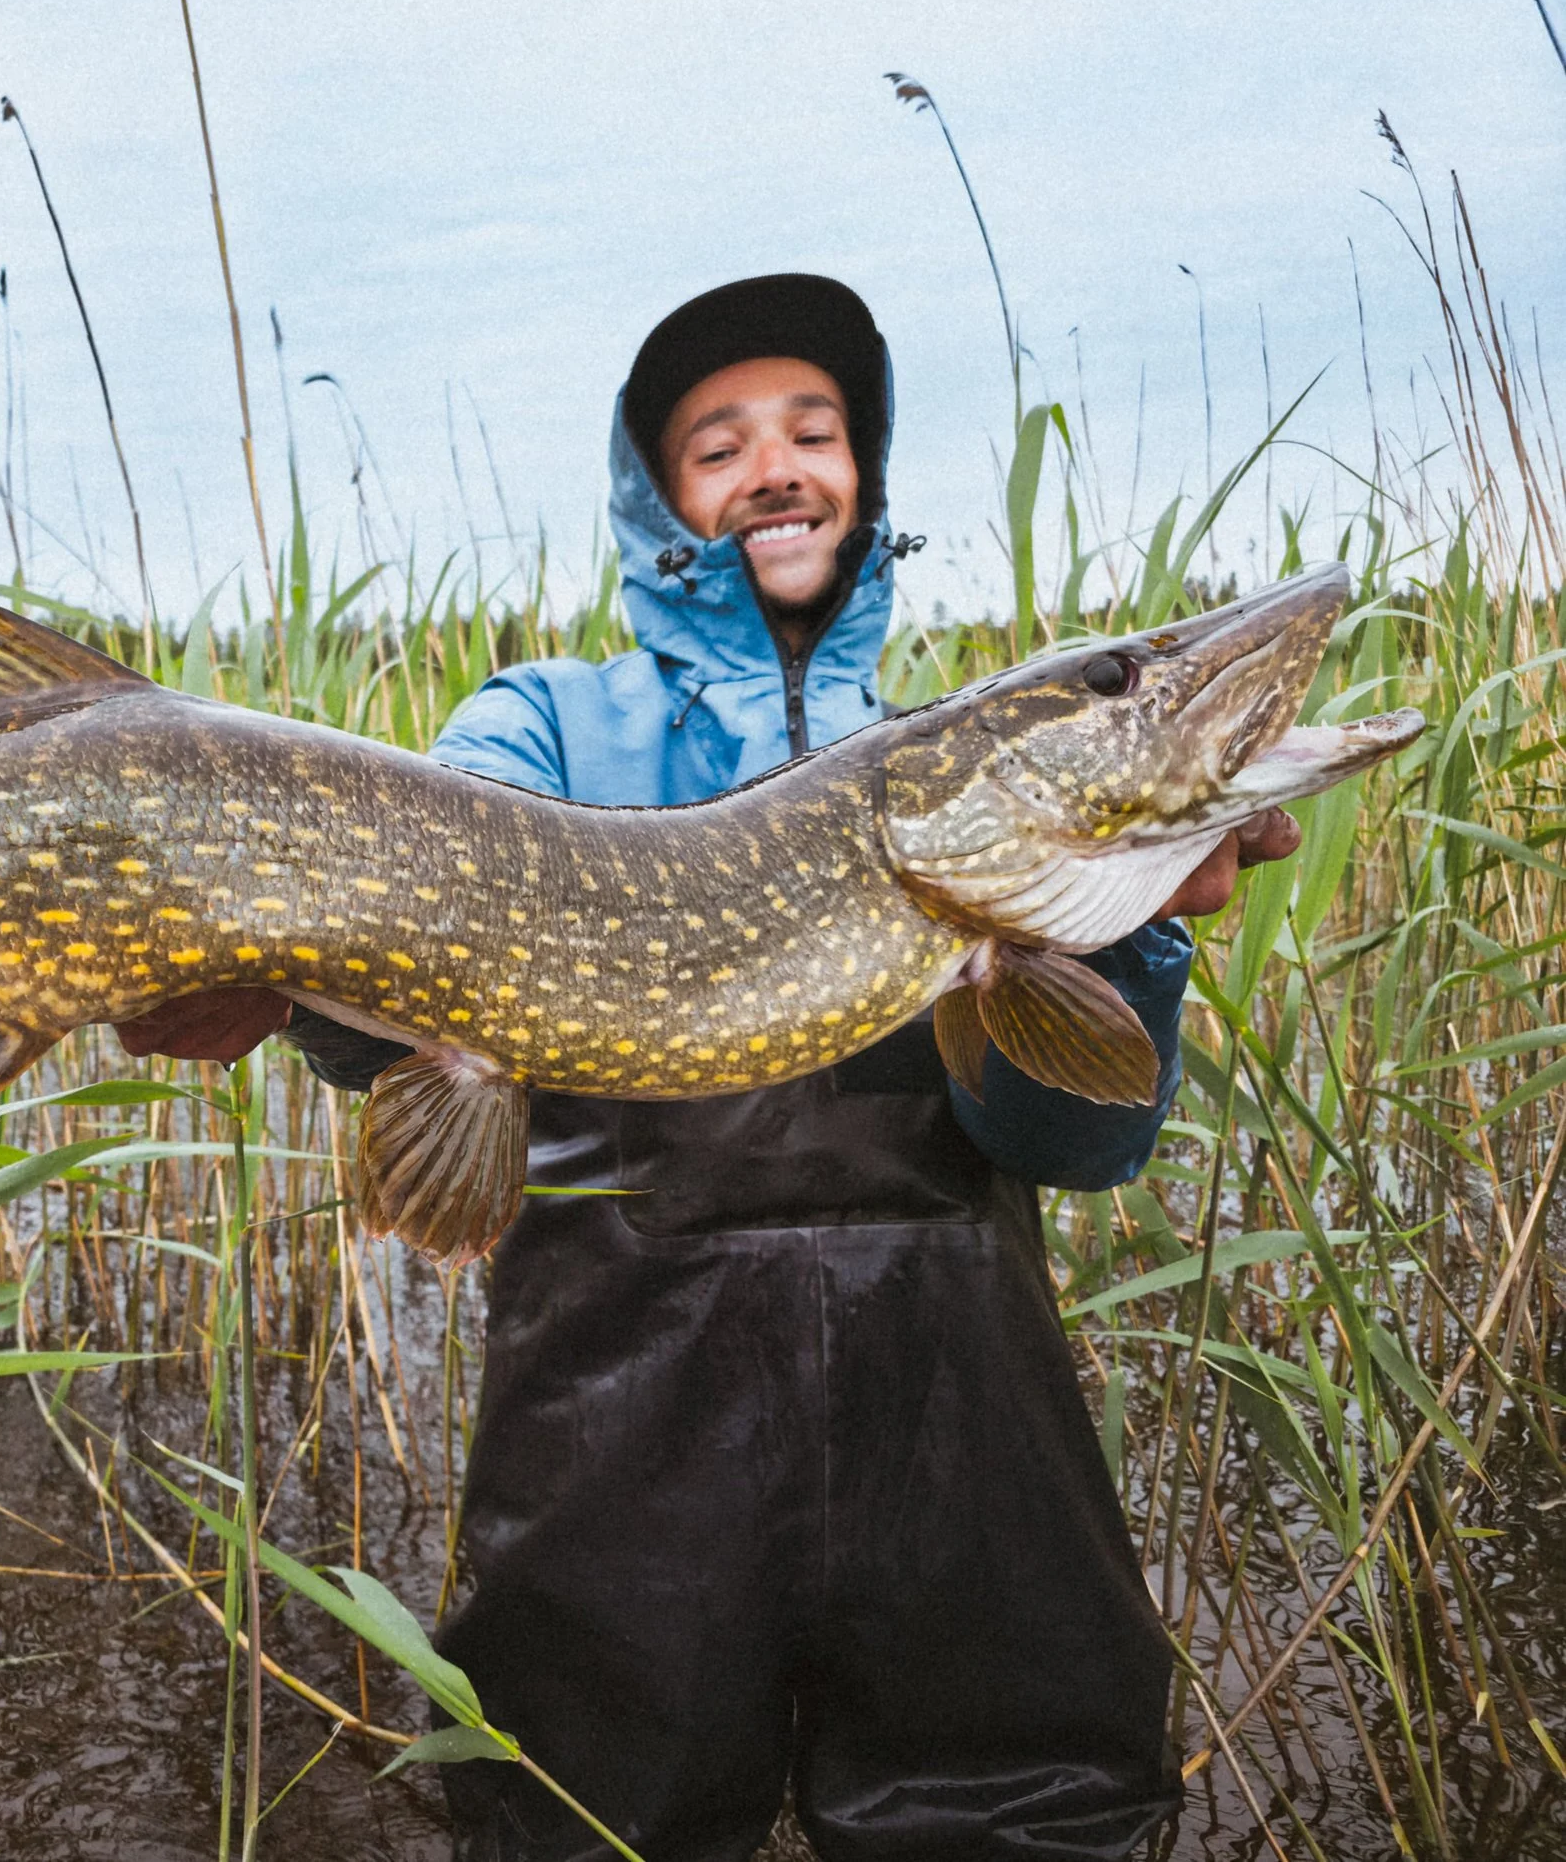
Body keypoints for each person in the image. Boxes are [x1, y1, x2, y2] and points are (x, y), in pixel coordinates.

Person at [117, 273, 1298, 1860]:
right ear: (658, 499)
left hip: (955, 1438)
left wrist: (1128, 918)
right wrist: (277, 981)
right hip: (623, 1446)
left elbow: (1075, 1142)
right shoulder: (539, 728)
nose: (778, 466)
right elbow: (405, 954)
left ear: (864, 478)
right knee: (595, 1830)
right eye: (719, 443)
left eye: (814, 429)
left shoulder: (961, 782)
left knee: (1016, 1822)